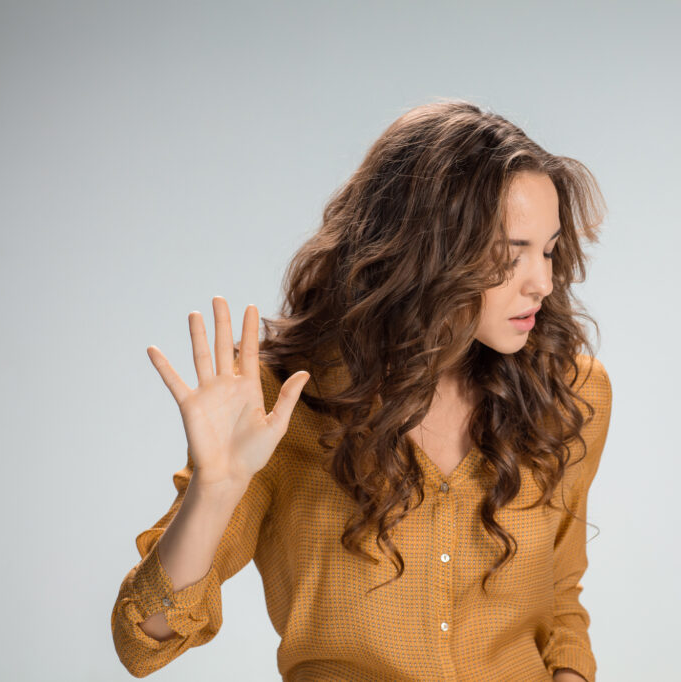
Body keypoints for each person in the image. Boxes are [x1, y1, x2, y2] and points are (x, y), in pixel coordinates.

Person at [110, 99, 613, 681]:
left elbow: (558, 599)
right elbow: (142, 642)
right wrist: (216, 490)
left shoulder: (572, 397)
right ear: (424, 249)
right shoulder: (281, 402)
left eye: (549, 250)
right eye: (510, 253)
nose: (543, 283)